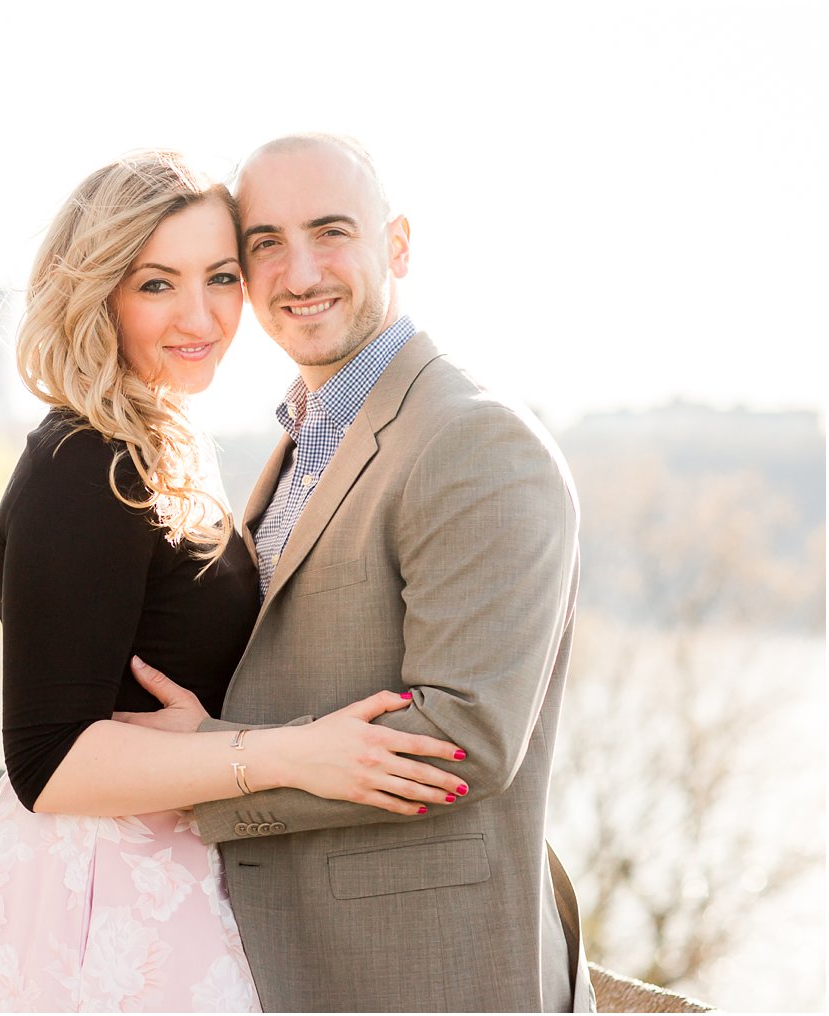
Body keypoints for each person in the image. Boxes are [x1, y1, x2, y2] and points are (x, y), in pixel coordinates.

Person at [0, 150, 472, 1013]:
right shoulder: (84, 460)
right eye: (158, 284)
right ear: (99, 292)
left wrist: (218, 744)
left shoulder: (157, 440)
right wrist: (285, 752)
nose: (201, 316)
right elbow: (48, 760)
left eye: (222, 277)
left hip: (173, 869)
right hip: (101, 904)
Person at [120, 133, 596, 1012]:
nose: (298, 272)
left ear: (399, 245)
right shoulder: (307, 436)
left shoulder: (473, 441)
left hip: (426, 970)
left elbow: (464, 738)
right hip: (291, 955)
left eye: (330, 232)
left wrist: (211, 768)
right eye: (264, 243)